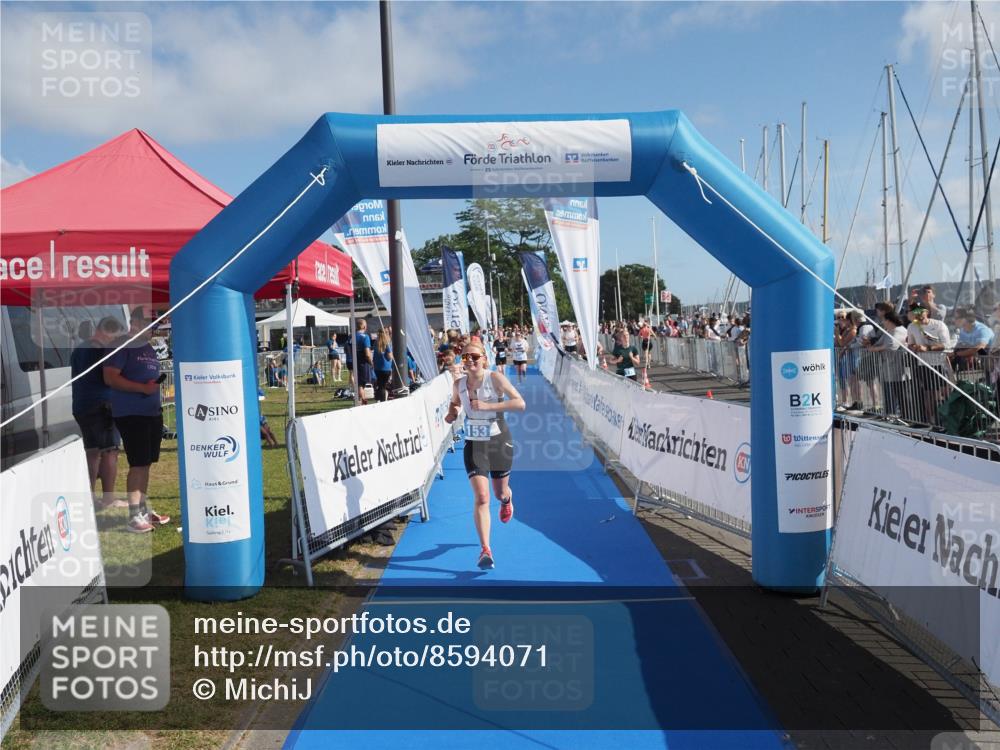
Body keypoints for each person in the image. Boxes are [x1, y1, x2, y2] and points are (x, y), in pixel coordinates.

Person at [444, 341, 526, 569]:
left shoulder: (495, 378)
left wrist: (488, 407)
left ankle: (507, 500)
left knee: (499, 493)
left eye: (475, 356)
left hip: (499, 441)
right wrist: (452, 414)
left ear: (484, 359)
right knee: (482, 497)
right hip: (475, 443)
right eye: (466, 357)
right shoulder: (459, 384)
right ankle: (485, 550)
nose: (470, 360)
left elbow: (520, 403)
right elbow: (454, 404)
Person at [103, 308, 170, 533]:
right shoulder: (122, 344)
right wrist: (142, 388)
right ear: (136, 322)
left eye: (155, 324)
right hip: (131, 413)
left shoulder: (147, 347)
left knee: (146, 463)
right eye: (151, 323)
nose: (154, 328)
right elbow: (110, 377)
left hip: (151, 412)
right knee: (138, 463)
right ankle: (134, 516)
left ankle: (142, 509)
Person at [71, 316, 126, 510]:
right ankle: (109, 498)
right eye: (116, 337)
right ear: (106, 332)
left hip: (81, 405)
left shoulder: (79, 349)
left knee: (92, 452)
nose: (116, 341)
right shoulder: (103, 352)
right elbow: (110, 378)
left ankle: (90, 497)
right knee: (110, 451)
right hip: (102, 406)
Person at [355, 319, 374, 404]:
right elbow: (367, 353)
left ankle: (360, 400)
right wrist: (371, 362)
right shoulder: (365, 337)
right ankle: (362, 400)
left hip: (355, 361)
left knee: (359, 382)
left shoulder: (351, 336)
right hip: (363, 362)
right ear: (364, 326)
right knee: (362, 383)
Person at [372, 328, 394, 402]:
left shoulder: (376, 343)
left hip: (377, 367)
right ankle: (382, 400)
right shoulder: (387, 343)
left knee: (380, 384)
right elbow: (389, 357)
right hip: (386, 367)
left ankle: (378, 399)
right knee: (383, 386)